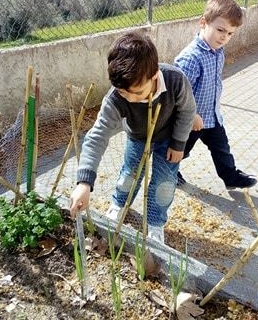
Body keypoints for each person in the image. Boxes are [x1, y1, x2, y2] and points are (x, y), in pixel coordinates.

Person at [69, 31, 196, 243]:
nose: (130, 99)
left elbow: (187, 111)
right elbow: (97, 135)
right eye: (123, 93)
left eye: (137, 92)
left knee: (164, 183)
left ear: (154, 75)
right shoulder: (117, 97)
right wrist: (84, 182)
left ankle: (155, 223)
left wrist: (179, 143)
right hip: (137, 136)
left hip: (168, 137)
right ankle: (120, 205)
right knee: (129, 175)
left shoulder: (175, 80)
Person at [174, 0, 257, 189]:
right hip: (191, 120)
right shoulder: (190, 57)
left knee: (221, 148)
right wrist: (191, 115)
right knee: (180, 150)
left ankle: (231, 177)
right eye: (220, 30)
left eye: (230, 34)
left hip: (211, 116)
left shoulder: (217, 51)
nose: (224, 37)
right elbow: (177, 93)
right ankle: (169, 172)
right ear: (203, 22)